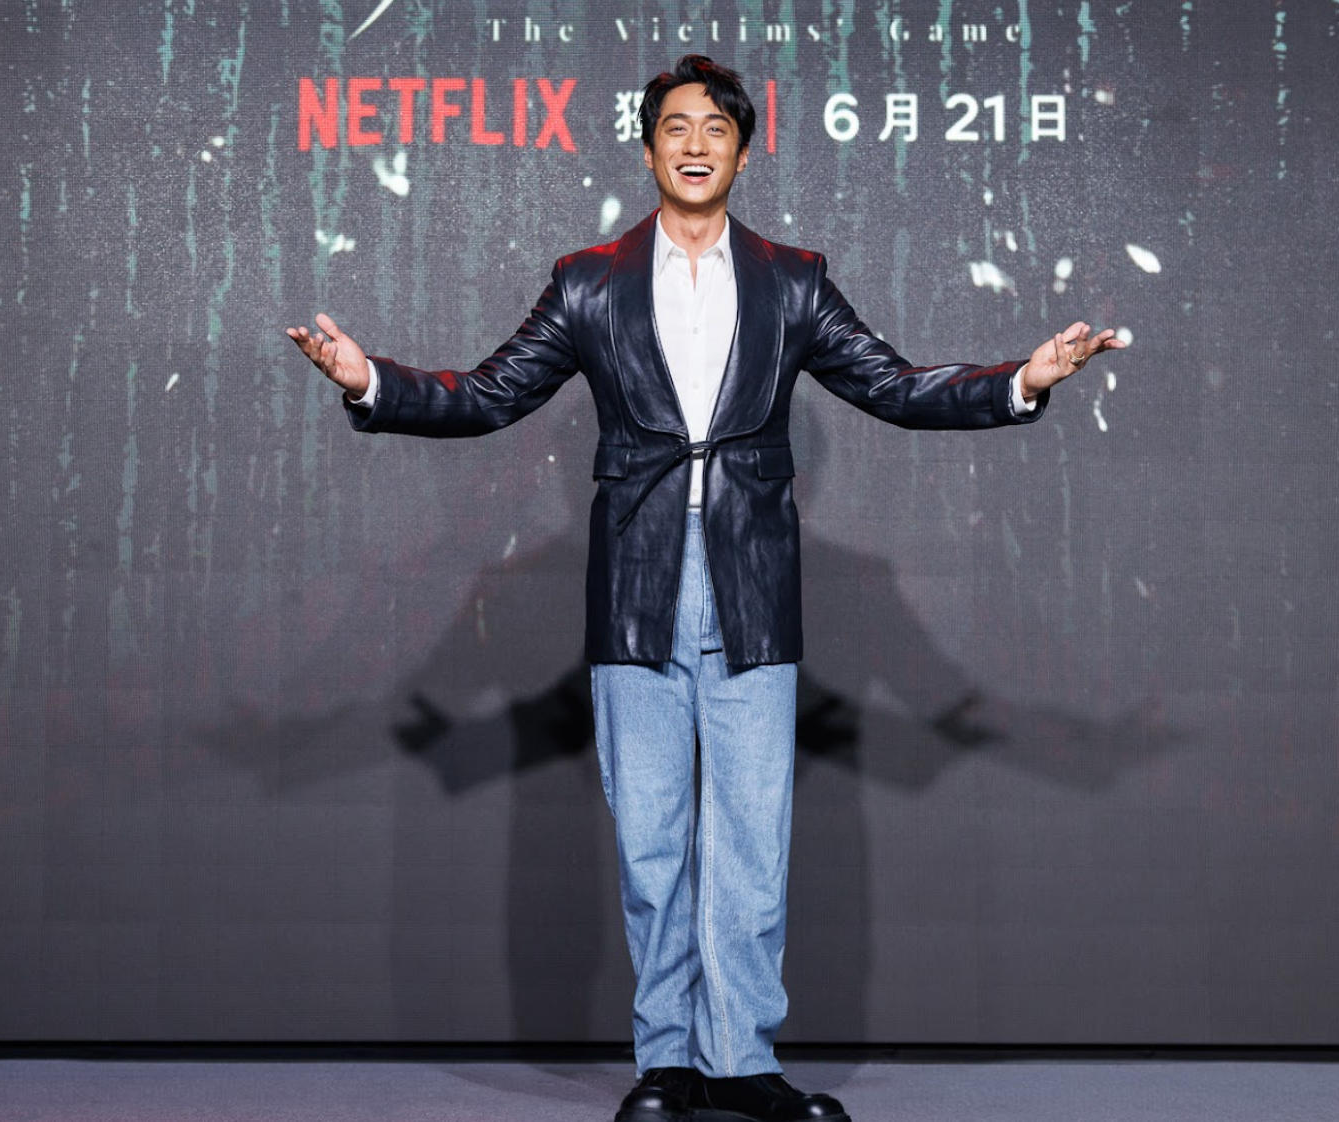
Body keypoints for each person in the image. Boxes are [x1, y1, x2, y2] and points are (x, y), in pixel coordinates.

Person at [286, 54, 1127, 1122]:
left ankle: (743, 1062)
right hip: (635, 587)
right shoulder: (588, 280)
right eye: (676, 128)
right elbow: (488, 395)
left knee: (749, 837)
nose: (694, 145)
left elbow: (895, 386)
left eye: (715, 130)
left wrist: (1021, 381)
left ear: (741, 152)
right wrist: (370, 382)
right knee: (650, 841)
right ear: (648, 150)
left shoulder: (793, 280)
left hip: (752, 583)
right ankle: (667, 1062)